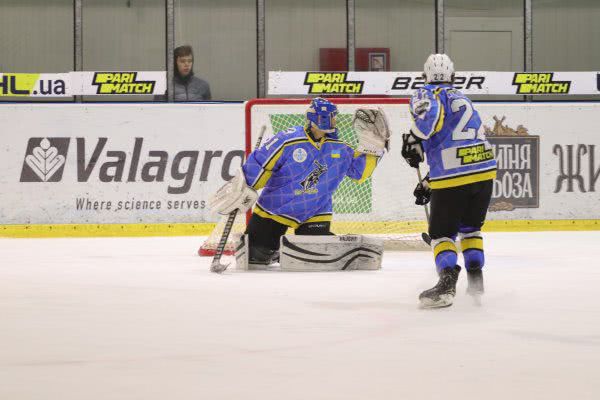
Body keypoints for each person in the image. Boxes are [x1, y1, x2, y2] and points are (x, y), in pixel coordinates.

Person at [209, 97, 390, 267]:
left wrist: (374, 148)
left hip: (316, 210)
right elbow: (261, 162)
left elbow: (359, 173)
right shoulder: (288, 139)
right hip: (276, 208)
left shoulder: (339, 147)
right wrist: (245, 186)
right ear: (316, 119)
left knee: (317, 253)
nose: (333, 122)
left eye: (334, 117)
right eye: (329, 117)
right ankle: (274, 251)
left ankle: (350, 250)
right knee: (255, 256)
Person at [401, 54, 497, 308]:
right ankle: (476, 279)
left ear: (425, 76)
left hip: (453, 177)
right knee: (470, 230)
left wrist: (414, 138)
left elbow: (428, 122)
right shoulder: (462, 98)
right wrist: (430, 182)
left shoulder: (427, 93)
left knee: (442, 235)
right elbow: (459, 147)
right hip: (485, 170)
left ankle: (446, 285)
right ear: (453, 76)